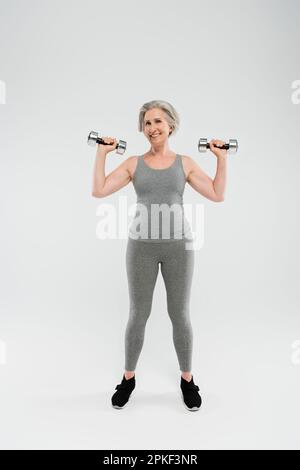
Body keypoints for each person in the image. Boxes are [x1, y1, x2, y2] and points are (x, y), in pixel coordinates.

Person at [92, 100, 227, 411]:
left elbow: (218, 194)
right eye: (146, 123)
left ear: (170, 126)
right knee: (138, 314)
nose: (151, 128)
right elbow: (99, 190)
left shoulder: (186, 163)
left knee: (179, 314)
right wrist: (101, 153)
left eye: (157, 122)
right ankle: (128, 379)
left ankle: (187, 380)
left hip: (179, 247)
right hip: (141, 247)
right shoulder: (133, 164)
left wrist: (221, 159)